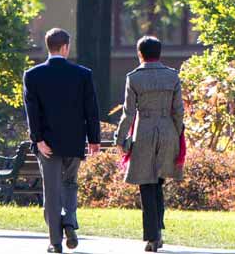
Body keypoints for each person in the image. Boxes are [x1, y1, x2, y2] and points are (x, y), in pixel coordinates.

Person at [23, 28, 102, 253]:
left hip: (47, 143)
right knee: (70, 184)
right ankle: (69, 221)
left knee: (52, 190)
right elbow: (91, 109)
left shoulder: (33, 75)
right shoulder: (82, 74)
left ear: (48, 47)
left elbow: (32, 111)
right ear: (66, 47)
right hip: (74, 141)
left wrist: (37, 139)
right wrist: (94, 139)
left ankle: (55, 242)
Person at [114, 36, 185, 252]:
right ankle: (157, 231)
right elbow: (179, 111)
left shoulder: (134, 78)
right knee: (158, 182)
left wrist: (120, 138)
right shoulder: (172, 76)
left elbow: (128, 112)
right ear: (160, 53)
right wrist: (177, 132)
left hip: (143, 131)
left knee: (146, 184)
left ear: (139, 53)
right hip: (168, 131)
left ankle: (152, 237)